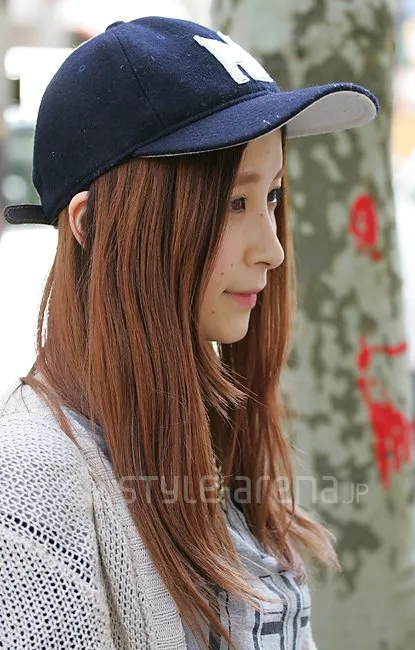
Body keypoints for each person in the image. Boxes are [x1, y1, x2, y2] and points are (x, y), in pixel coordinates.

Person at [0, 15, 378, 650]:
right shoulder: (29, 489)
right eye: (235, 202)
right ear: (92, 225)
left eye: (273, 197)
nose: (272, 249)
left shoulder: (205, 431)